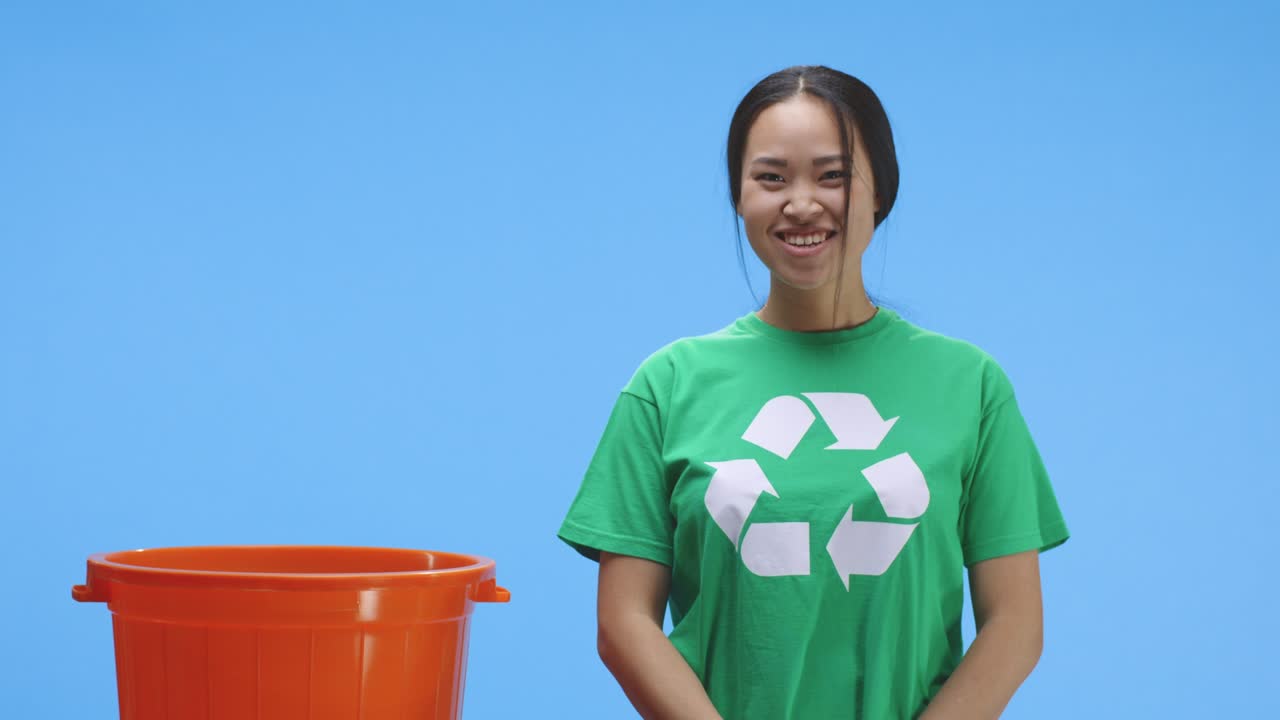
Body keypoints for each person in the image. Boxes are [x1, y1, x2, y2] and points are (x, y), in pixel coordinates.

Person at [557, 65, 1070, 720]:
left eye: (832, 175)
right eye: (771, 178)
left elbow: (1015, 625)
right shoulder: (666, 386)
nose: (802, 203)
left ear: (881, 192)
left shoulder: (971, 386)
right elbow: (624, 623)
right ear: (739, 198)